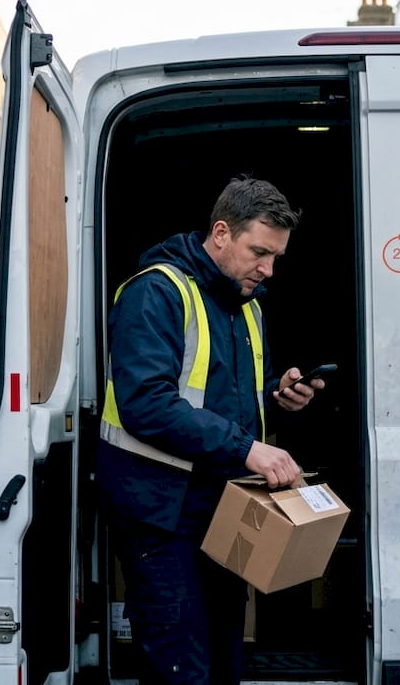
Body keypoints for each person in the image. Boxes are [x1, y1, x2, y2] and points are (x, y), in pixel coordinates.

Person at [97, 176, 324, 684]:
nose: (267, 270)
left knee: (225, 660)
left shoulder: (247, 303)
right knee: (181, 668)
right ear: (221, 232)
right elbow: (147, 403)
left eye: (275, 258)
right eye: (259, 252)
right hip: (160, 513)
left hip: (223, 510)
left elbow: (217, 401)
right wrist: (249, 449)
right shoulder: (155, 291)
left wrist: (275, 395)